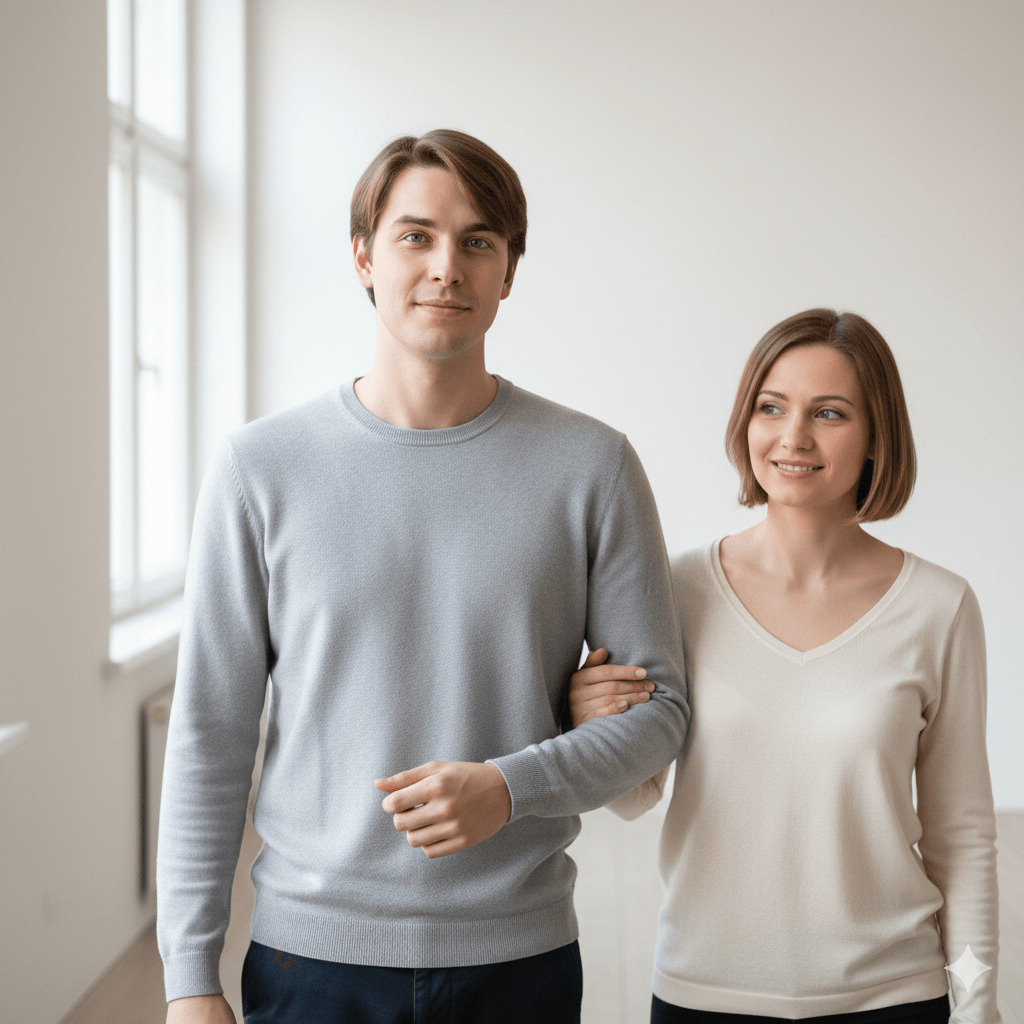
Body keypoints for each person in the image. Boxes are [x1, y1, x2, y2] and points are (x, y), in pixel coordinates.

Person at [156, 129, 689, 1024]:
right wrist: (187, 976)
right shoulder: (261, 469)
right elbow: (210, 733)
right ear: (363, 255)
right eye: (417, 236)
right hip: (307, 961)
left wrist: (511, 786)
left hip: (519, 957)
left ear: (509, 270)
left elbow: (660, 713)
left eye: (479, 241)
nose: (448, 266)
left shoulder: (593, 467)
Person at [570, 309, 1000, 1023]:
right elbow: (632, 796)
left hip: (893, 999)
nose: (793, 436)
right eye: (772, 407)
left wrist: (979, 1006)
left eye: (829, 413)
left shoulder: (939, 607)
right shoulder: (672, 591)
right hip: (702, 996)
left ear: (875, 438)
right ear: (746, 421)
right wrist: (592, 723)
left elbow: (962, 839)